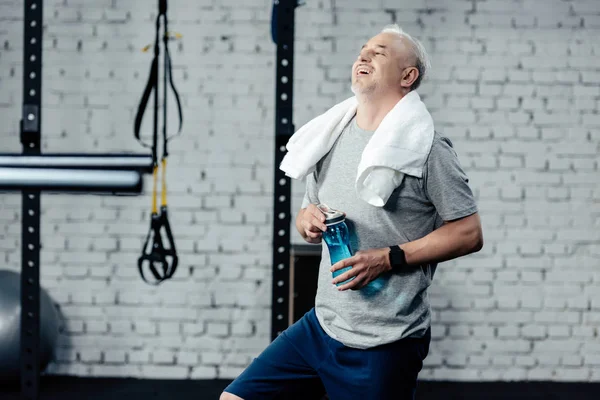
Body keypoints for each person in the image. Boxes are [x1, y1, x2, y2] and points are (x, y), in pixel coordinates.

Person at [221, 24, 483, 400]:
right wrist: (306, 221)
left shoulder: (427, 149)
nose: (364, 55)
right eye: (363, 50)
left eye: (380, 52)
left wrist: (389, 258)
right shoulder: (330, 135)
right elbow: (308, 210)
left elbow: (468, 233)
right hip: (322, 326)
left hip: (385, 340)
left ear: (408, 76)